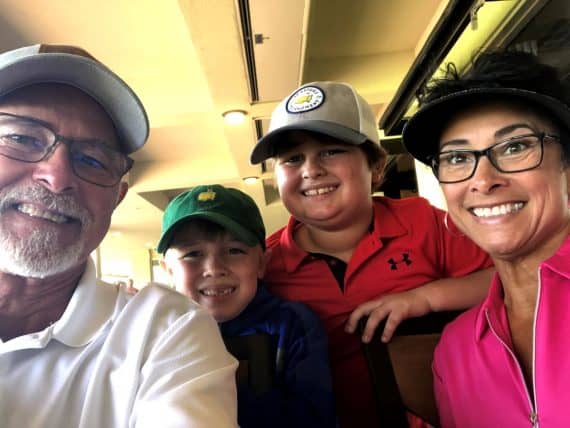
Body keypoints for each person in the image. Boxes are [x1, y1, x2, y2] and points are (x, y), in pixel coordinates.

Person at [0, 44, 238, 427]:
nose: (57, 178)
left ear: (117, 196)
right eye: (22, 139)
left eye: (91, 159)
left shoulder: (164, 329)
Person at [249, 81, 494, 427]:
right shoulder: (265, 266)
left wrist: (423, 299)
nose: (311, 169)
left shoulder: (422, 222)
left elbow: (505, 282)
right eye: (292, 158)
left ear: (376, 167)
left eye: (331, 151)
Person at [402, 51, 570, 427]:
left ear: (566, 165)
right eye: (457, 158)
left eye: (514, 147)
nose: (482, 179)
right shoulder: (453, 351)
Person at [157, 184, 337, 428]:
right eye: (193, 254)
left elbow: (316, 417)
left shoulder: (292, 324)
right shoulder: (157, 332)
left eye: (234, 250)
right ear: (168, 270)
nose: (214, 268)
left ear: (262, 264)